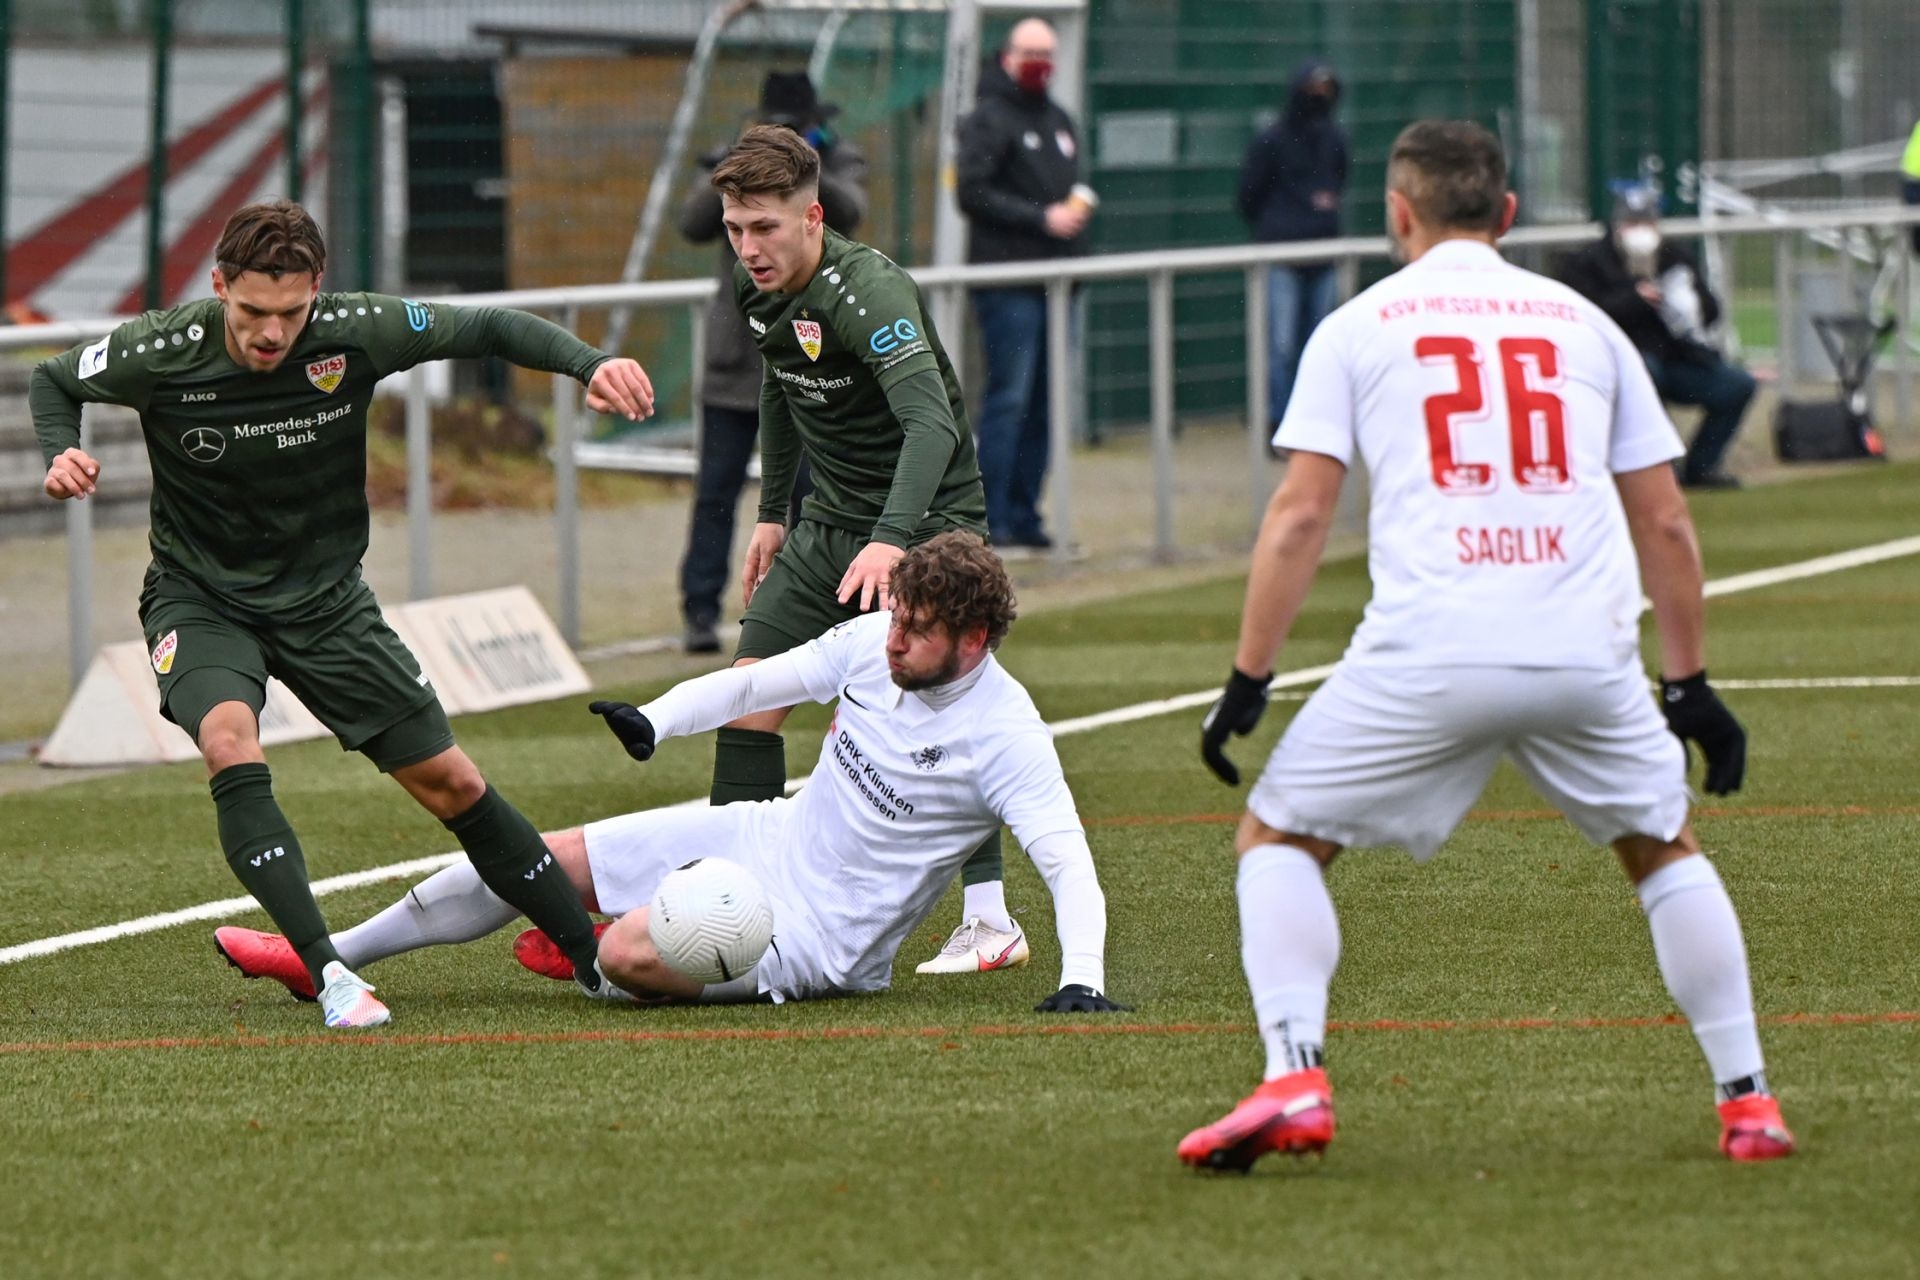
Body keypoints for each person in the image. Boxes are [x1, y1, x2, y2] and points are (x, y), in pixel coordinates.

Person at [1179, 120, 1794, 1172]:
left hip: (1429, 651)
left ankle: (1294, 1074)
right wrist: (1689, 684)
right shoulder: (1587, 324)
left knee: (1279, 838)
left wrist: (1250, 675)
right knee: (1661, 849)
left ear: (1398, 215)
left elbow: (1298, 518)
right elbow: (1669, 521)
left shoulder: (1358, 324)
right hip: (1584, 655)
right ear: (1508, 215)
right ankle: (1749, 1102)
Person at [32, 199, 657, 1028]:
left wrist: (589, 363)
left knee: (453, 782)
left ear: (317, 291)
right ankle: (330, 974)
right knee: (228, 738)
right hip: (202, 595)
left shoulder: (358, 331)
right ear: (219, 286)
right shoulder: (162, 348)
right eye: (252, 311)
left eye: (290, 313)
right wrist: (59, 451)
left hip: (328, 604)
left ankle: (590, 962)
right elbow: (54, 378)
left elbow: (489, 328)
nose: (270, 333)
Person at [212, 534, 1130, 1014]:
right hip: (762, 834)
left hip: (820, 938)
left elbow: (1067, 862)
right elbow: (756, 685)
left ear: (972, 642)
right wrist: (655, 718)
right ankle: (322, 958)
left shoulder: (1008, 735)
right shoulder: (870, 643)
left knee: (619, 954)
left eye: (916, 634)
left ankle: (596, 951)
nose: (892, 642)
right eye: (893, 622)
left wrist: (1082, 974)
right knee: (538, 853)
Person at [702, 124, 1022, 976]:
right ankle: (736, 908)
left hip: (925, 526)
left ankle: (991, 922)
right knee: (748, 704)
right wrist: (772, 511)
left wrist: (892, 543)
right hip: (829, 526)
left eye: (764, 227)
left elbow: (933, 424)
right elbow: (779, 380)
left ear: (812, 217)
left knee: (933, 727)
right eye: (735, 229)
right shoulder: (755, 286)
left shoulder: (869, 292)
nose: (749, 248)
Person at [675, 71, 869, 654]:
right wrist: (739, 162)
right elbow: (691, 224)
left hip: (811, 361)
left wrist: (802, 165)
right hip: (738, 364)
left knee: (811, 497)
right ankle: (699, 611)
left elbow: (850, 212)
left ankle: (811, 609)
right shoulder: (733, 162)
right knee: (716, 490)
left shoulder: (837, 159)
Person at [955, 16, 1091, 551]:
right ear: (1008, 56)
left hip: (1058, 287)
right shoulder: (988, 121)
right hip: (1008, 285)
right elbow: (972, 193)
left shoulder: (1061, 119)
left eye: (1048, 52)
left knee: (1045, 403)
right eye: (1031, 51)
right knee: (1008, 399)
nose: (1041, 62)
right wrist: (1041, 219)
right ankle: (992, 520)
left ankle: (1027, 515)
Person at [1560, 186, 1755, 490]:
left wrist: (1688, 302)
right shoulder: (1589, 262)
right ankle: (1660, 466)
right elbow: (1587, 313)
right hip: (1623, 365)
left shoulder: (1676, 258)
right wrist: (1636, 298)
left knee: (1737, 385)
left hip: (1679, 360)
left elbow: (1710, 312)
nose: (1640, 231)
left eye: (1647, 223)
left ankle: (1702, 467)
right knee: (1645, 374)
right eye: (1632, 223)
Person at [1237, 62, 1350, 431]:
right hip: (1281, 255)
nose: (1320, 98)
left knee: (1321, 346)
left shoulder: (1335, 138)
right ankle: (1279, 422)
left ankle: (1315, 424)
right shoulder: (1271, 140)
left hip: (1324, 255)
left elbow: (1339, 180)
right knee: (1281, 346)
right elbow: (1248, 195)